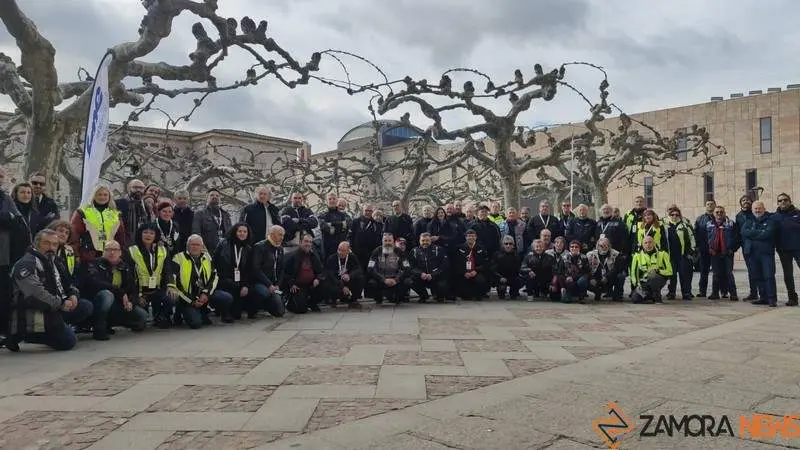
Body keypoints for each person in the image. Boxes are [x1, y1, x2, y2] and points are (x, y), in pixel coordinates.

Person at [1, 230, 88, 352]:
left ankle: (58, 325)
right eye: (46, 243)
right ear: (36, 244)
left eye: (54, 244)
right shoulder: (27, 263)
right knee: (69, 341)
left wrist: (73, 295)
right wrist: (61, 304)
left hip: (54, 306)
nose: (51, 248)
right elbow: (35, 294)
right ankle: (25, 335)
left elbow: (69, 283)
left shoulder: (55, 261)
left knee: (85, 306)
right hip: (34, 310)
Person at [81, 240, 148, 340]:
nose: (112, 253)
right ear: (103, 252)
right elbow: (96, 283)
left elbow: (133, 289)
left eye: (115, 250)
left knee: (142, 316)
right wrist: (120, 292)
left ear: (120, 252)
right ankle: (99, 327)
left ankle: (112, 323)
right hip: (97, 302)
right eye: (108, 250)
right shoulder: (94, 264)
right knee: (107, 295)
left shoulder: (125, 267)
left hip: (118, 304)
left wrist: (131, 302)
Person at [168, 234, 234, 327]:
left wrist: (206, 293)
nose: (195, 247)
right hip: (187, 297)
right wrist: (191, 301)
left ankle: (203, 312)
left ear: (202, 246)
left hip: (203, 293)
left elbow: (214, 277)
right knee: (196, 324)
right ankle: (180, 312)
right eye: (192, 244)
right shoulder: (178, 258)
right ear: (187, 246)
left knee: (226, 298)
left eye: (198, 245)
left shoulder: (207, 257)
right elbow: (176, 284)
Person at [127, 223, 174, 328]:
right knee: (140, 324)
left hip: (157, 289)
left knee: (173, 296)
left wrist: (170, 286)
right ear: (140, 234)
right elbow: (129, 277)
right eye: (145, 232)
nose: (148, 235)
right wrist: (137, 296)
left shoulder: (162, 250)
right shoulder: (132, 251)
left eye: (151, 233)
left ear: (156, 235)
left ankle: (161, 316)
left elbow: (167, 271)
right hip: (140, 292)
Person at [213, 222, 260, 320]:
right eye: (240, 231)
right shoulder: (224, 244)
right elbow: (215, 262)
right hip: (224, 280)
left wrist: (245, 285)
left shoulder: (248, 249)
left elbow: (248, 270)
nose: (242, 233)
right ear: (235, 232)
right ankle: (224, 311)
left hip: (239, 281)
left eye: (245, 232)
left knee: (254, 292)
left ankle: (247, 309)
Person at [70, 184, 127, 263]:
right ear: (94, 196)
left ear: (109, 197)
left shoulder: (115, 214)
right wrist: (76, 254)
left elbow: (121, 237)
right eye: (99, 194)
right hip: (89, 255)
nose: (102, 197)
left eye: (105, 195)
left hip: (110, 255)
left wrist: (121, 255)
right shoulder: (82, 212)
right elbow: (74, 235)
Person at [0, 167, 26, 337]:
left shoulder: (5, 198)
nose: (1, 178)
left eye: (1, 176)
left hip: (4, 255)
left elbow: (16, 220)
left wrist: (8, 218)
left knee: (3, 293)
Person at [741, 201, 778, 307]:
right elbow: (744, 232)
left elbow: (768, 233)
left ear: (763, 208)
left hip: (766, 253)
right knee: (757, 276)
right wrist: (760, 232)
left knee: (769, 275)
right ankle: (763, 297)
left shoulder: (770, 220)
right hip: (752, 253)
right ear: (752, 210)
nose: (757, 210)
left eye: (759, 208)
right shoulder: (749, 220)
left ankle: (772, 299)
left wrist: (752, 234)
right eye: (755, 209)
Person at [251, 225, 287, 318]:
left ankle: (271, 304)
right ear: (271, 234)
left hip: (274, 284)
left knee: (280, 312)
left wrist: (278, 284)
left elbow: (282, 268)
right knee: (264, 293)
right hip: (260, 282)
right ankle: (253, 308)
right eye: (280, 235)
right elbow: (256, 269)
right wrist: (269, 284)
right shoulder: (259, 247)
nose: (282, 237)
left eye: (283, 235)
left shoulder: (280, 248)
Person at [282, 234, 325, 313]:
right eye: (306, 241)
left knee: (326, 286)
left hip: (311, 285)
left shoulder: (314, 255)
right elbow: (283, 273)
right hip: (297, 286)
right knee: (301, 310)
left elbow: (321, 271)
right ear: (300, 242)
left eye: (310, 242)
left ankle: (311, 303)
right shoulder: (292, 256)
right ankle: (290, 303)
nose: (308, 244)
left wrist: (318, 279)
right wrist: (291, 283)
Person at [366, 233, 411, 305]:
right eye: (385, 240)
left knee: (407, 281)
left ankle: (398, 297)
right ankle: (378, 298)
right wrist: (383, 279)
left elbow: (407, 268)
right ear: (382, 241)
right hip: (381, 279)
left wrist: (396, 279)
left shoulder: (399, 252)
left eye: (389, 240)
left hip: (395, 280)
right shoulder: (376, 251)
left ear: (393, 241)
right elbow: (370, 268)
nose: (387, 243)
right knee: (372, 283)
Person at [705, 206, 738, 301]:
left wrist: (732, 249)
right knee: (716, 274)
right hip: (715, 252)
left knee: (729, 273)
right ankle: (715, 293)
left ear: (724, 213)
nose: (719, 214)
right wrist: (709, 248)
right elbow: (705, 237)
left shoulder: (730, 223)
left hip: (727, 252)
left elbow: (736, 237)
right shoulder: (709, 224)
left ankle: (733, 294)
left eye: (721, 212)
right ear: (714, 214)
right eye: (717, 212)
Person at [664, 207, 696, 300]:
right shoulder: (665, 225)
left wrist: (692, 250)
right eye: (672, 214)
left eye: (676, 214)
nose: (674, 216)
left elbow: (692, 238)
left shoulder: (685, 225)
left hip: (683, 255)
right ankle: (671, 292)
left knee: (684, 274)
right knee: (672, 275)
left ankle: (686, 293)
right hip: (670, 255)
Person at [629, 236, 673, 304]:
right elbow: (633, 272)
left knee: (653, 275)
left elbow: (670, 271)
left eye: (650, 242)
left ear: (654, 243)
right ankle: (649, 296)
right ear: (642, 245)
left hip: (658, 279)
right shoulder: (637, 255)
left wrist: (657, 271)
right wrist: (637, 285)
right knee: (635, 298)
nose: (648, 245)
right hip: (644, 281)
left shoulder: (663, 254)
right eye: (645, 243)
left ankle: (657, 297)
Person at [408, 232, 449, 303]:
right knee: (409, 281)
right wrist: (421, 274)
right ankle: (423, 296)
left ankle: (439, 296)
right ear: (419, 241)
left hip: (435, 277)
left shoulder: (439, 249)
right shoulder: (414, 251)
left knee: (443, 283)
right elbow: (412, 267)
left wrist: (433, 275)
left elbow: (444, 266)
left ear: (431, 240)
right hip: (422, 277)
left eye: (427, 240)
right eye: (423, 240)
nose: (425, 242)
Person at [775, 193, 800, 306]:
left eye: (785, 200)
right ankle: (792, 298)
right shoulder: (775, 216)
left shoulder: (798, 213)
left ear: (790, 201)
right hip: (783, 249)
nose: (783, 202)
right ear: (778, 203)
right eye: (780, 201)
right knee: (788, 274)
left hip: (798, 247)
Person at [322, 241, 364, 308]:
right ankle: (333, 299)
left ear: (348, 251)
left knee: (360, 278)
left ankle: (353, 300)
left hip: (347, 280)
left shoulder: (352, 257)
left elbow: (359, 269)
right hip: (336, 281)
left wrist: (350, 275)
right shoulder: (332, 258)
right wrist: (342, 286)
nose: (340, 252)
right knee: (327, 282)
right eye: (339, 250)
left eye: (343, 251)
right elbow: (330, 275)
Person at [452, 229, 490, 300]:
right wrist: (464, 272)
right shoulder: (459, 248)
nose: (471, 238)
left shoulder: (481, 248)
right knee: (466, 296)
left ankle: (479, 294)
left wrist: (476, 271)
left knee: (481, 280)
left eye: (473, 236)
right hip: (464, 273)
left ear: (476, 237)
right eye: (469, 236)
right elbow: (456, 263)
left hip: (476, 272)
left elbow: (485, 263)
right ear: (465, 237)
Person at [192, 188, 232, 253]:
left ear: (220, 199)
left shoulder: (226, 215)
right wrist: (202, 248)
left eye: (217, 196)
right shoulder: (200, 214)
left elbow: (230, 234)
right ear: (206, 198)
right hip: (207, 251)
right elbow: (196, 233)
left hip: (224, 251)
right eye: (212, 195)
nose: (215, 197)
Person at [586, 237, 625, 302]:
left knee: (621, 276)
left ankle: (617, 295)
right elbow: (586, 269)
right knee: (584, 279)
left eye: (606, 246)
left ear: (609, 246)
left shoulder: (616, 254)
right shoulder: (590, 255)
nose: (603, 248)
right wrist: (591, 278)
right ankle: (596, 292)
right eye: (601, 246)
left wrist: (607, 277)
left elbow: (617, 268)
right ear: (597, 246)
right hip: (595, 278)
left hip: (609, 278)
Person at [735, 195, 758, 301]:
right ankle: (753, 293)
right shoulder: (739, 216)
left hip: (758, 245)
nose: (746, 202)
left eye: (748, 200)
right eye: (743, 200)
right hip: (746, 247)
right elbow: (738, 233)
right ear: (740, 203)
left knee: (762, 270)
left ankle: (765, 293)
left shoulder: (756, 213)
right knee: (751, 270)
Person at [349, 205, 384, 271]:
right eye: (366, 210)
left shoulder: (376, 223)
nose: (368, 212)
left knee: (369, 271)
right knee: (357, 271)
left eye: (370, 211)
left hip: (370, 253)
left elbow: (378, 238)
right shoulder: (356, 221)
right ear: (363, 211)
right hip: (357, 252)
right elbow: (350, 235)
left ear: (372, 212)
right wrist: (350, 247)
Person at [694, 200, 717, 298]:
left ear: (715, 205)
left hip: (717, 249)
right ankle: (702, 291)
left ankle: (717, 292)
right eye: (708, 204)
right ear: (705, 206)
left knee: (717, 272)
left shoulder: (719, 217)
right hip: (704, 249)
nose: (710, 205)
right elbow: (696, 234)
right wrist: (697, 247)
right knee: (704, 271)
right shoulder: (700, 219)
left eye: (712, 204)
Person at [115, 179, 148, 245]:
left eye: (141, 188)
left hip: (140, 243)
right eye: (135, 187)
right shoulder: (119, 203)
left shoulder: (145, 206)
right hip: (123, 243)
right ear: (128, 189)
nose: (138, 190)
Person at [318, 193, 350, 259]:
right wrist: (340, 225)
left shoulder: (343, 215)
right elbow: (324, 228)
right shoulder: (322, 214)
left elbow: (345, 228)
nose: (332, 200)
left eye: (334, 199)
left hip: (340, 246)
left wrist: (331, 225)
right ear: (327, 201)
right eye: (330, 199)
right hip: (326, 246)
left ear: (337, 200)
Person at [490, 235, 523, 300]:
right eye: (506, 243)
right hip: (500, 278)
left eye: (510, 244)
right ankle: (501, 291)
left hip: (512, 277)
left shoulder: (517, 256)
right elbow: (492, 269)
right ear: (503, 245)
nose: (508, 246)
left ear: (513, 245)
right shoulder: (496, 255)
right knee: (501, 290)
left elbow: (518, 269)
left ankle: (513, 292)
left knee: (519, 281)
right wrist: (500, 277)